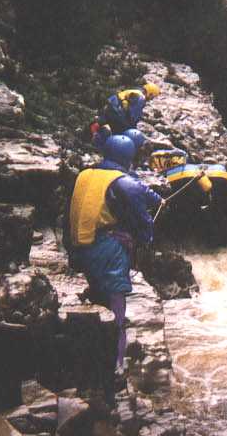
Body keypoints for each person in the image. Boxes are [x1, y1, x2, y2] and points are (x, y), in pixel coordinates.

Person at [64, 132, 163, 388]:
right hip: (104, 249)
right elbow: (143, 219)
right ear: (129, 159)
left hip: (78, 246)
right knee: (117, 301)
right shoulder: (124, 183)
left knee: (100, 292)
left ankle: (99, 327)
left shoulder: (85, 174)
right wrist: (145, 239)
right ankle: (117, 363)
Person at [89, 82, 161, 151]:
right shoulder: (141, 98)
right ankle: (113, 148)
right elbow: (133, 116)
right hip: (116, 112)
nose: (151, 99)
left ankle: (96, 137)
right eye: (153, 96)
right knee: (125, 130)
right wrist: (133, 127)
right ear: (150, 93)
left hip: (109, 107)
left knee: (105, 122)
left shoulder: (135, 91)